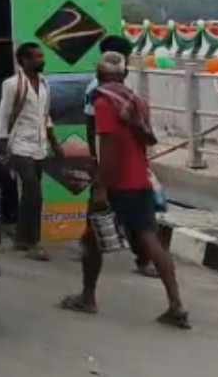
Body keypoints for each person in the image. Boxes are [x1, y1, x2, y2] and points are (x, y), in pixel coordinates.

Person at [60, 52, 190, 329]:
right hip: (139, 179)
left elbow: (108, 149)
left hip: (115, 183)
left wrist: (101, 189)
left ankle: (87, 297)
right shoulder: (136, 101)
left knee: (90, 241)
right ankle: (176, 304)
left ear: (99, 76)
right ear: (125, 75)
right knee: (151, 240)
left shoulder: (104, 102)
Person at [85, 35, 162, 277]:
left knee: (103, 224)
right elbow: (96, 130)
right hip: (120, 170)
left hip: (119, 170)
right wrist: (96, 162)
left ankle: (88, 293)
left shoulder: (113, 94)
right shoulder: (102, 94)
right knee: (141, 228)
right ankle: (147, 265)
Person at [0, 42, 63, 261]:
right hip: (19, 145)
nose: (41, 60)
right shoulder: (12, 84)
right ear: (23, 60)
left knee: (30, 194)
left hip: (39, 145)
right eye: (36, 57)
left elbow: (45, 116)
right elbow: (3, 115)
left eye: (41, 56)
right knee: (34, 192)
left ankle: (22, 239)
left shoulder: (44, 84)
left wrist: (55, 143)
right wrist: (2, 147)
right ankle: (33, 243)